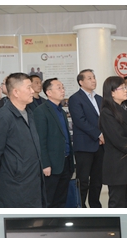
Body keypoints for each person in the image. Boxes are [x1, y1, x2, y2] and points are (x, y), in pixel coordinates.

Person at [0, 72, 44, 207]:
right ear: (16, 92)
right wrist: (1, 174)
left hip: (33, 180)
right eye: (28, 87)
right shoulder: (3, 117)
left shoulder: (29, 113)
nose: (32, 91)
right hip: (13, 183)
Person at [98, 76, 127, 208]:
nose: (125, 90)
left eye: (125, 87)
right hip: (117, 166)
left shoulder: (123, 107)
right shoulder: (107, 112)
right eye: (122, 88)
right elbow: (119, 139)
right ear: (111, 92)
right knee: (117, 203)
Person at [34, 78, 74, 208]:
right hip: (51, 165)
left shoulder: (61, 111)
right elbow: (41, 140)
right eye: (59, 88)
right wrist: (45, 164)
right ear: (49, 92)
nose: (63, 90)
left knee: (61, 200)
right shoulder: (41, 111)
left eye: (63, 87)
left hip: (65, 162)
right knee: (49, 200)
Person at [68, 69, 104, 208]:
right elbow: (80, 121)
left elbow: (104, 120)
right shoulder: (75, 99)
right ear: (81, 82)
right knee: (83, 180)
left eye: (94, 77)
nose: (93, 80)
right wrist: (99, 134)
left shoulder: (99, 98)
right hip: (84, 146)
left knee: (97, 179)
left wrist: (104, 134)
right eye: (89, 78)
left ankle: (95, 206)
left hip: (100, 145)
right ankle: (81, 206)